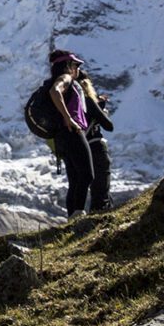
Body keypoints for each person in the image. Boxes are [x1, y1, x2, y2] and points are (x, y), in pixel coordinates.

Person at [47, 49, 96, 217]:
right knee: (87, 174)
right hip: (72, 132)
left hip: (61, 136)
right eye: (76, 65)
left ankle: (72, 217)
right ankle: (78, 214)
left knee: (75, 179)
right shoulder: (65, 78)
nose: (78, 69)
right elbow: (55, 91)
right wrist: (68, 118)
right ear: (68, 66)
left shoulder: (60, 80)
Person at [77, 64, 115, 212]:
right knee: (101, 193)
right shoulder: (88, 101)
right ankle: (97, 224)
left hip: (81, 152)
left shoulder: (70, 105)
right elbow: (108, 126)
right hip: (96, 149)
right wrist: (102, 110)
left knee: (93, 188)